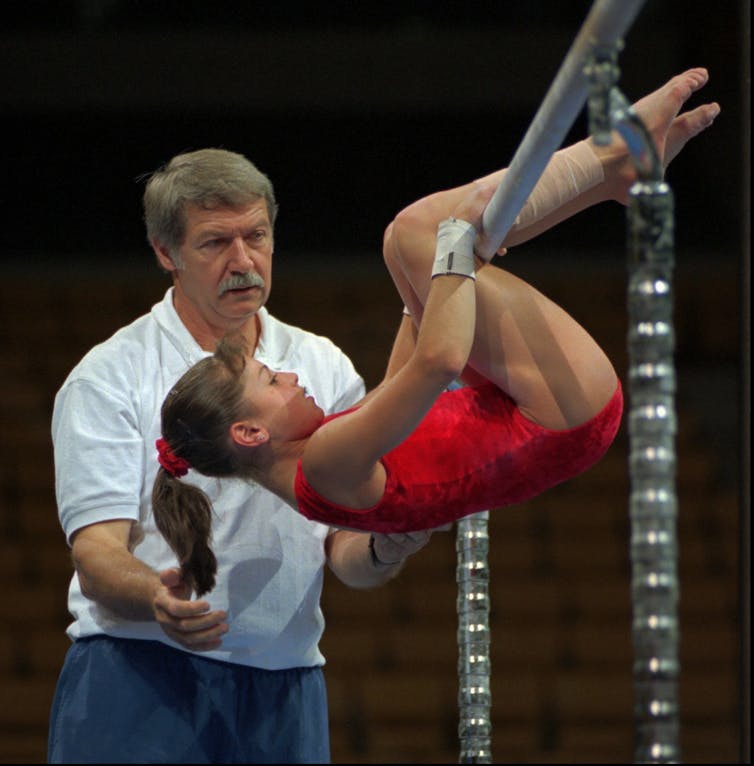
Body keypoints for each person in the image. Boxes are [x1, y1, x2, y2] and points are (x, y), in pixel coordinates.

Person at [150, 69, 719, 599]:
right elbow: (438, 363)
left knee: (407, 240)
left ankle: (608, 175)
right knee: (423, 231)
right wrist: (446, 249)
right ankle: (610, 155)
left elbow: (404, 375)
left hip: (536, 411)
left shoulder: (318, 460)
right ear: (249, 432)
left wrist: (419, 283)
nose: (292, 375)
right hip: (561, 414)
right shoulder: (322, 463)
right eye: (271, 379)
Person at [49, 148, 440, 764]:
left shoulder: (321, 368)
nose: (243, 261)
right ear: (165, 254)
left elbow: (344, 553)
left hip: (287, 688)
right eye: (214, 244)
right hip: (138, 679)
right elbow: (96, 553)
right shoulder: (109, 377)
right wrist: (156, 594)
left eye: (256, 235)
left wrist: (384, 547)